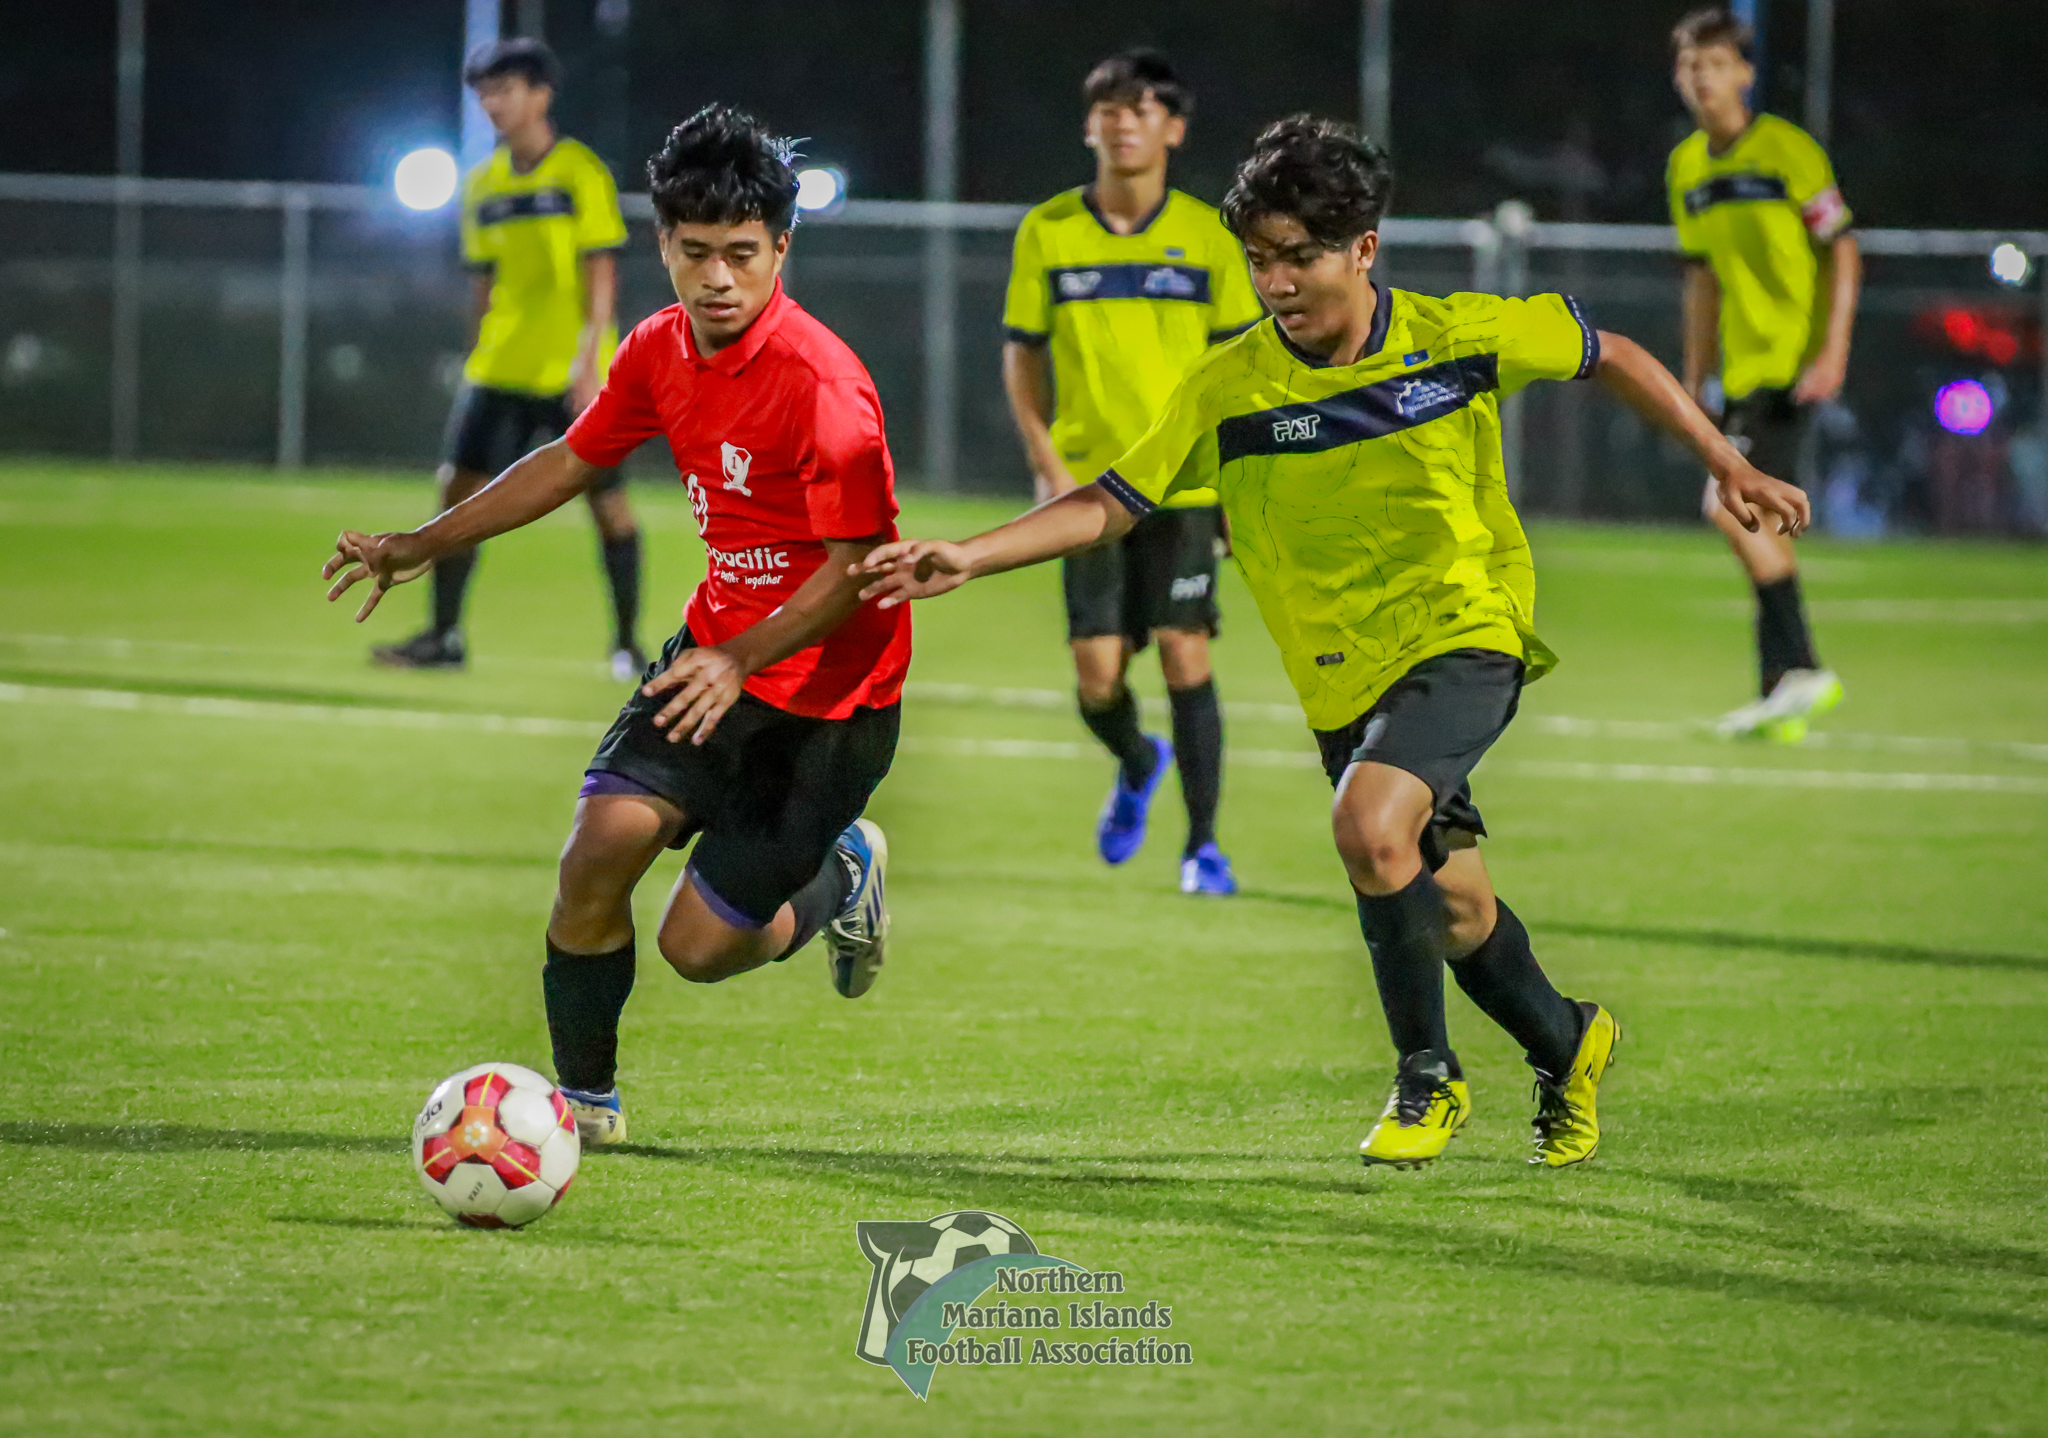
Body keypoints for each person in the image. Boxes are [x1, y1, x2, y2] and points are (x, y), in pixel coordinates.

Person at [857, 116, 1811, 1170]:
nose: (1275, 281)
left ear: (1363, 247)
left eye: (1299, 256)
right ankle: (1569, 1039)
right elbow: (1112, 501)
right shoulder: (1230, 385)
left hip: (1465, 629)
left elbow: (1612, 352)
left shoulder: (1456, 335)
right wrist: (970, 555)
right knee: (1450, 904)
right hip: (1339, 672)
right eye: (1258, 259)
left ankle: (1424, 1076)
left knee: (1365, 824)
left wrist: (1726, 461)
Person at [325, 106, 909, 1146]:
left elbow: (857, 570)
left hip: (830, 701)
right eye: (694, 254)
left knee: (699, 946)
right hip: (713, 663)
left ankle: (838, 871)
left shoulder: (826, 389)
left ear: (783, 246)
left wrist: (742, 657)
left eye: (741, 254)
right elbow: (566, 460)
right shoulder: (656, 350)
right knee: (597, 849)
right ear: (663, 244)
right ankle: (581, 1104)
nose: (717, 278)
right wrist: (425, 540)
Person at [1000, 50, 1266, 895]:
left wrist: (1235, 482)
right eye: (1109, 108)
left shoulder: (1211, 234)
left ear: (1174, 129)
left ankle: (1204, 847)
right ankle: (1135, 755)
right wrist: (1045, 462)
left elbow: (1239, 365)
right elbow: (1022, 360)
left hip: (1185, 485)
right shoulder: (1048, 231)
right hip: (1088, 489)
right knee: (1097, 677)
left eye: (1142, 108)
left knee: (1188, 655)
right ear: (1089, 125)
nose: (1123, 122)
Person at [374, 37, 647, 680]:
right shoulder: (484, 184)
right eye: (484, 93)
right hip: (499, 367)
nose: (493, 104)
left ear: (541, 95)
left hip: (569, 370)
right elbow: (483, 282)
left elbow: (600, 274)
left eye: (505, 89)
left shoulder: (580, 172)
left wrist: (590, 364)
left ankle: (628, 644)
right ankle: (443, 637)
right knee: (456, 493)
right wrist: (476, 351)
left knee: (606, 505)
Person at [1669, 6, 1858, 741]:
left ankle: (1804, 667)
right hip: (1741, 373)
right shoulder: (1686, 167)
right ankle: (1780, 690)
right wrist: (1692, 378)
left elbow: (1842, 250)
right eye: (1690, 67)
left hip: (1788, 366)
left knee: (1729, 506)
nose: (1701, 79)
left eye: (1714, 65)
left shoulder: (1788, 151)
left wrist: (1831, 352)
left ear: (1744, 74)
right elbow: (1701, 279)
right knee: (1753, 518)